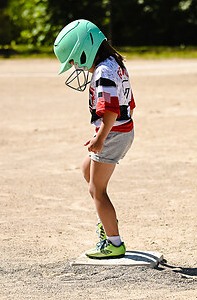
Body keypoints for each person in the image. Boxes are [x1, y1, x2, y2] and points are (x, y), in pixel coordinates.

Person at [53, 19, 135, 258]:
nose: (75, 67)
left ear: (85, 51)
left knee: (97, 189)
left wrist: (100, 138)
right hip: (119, 130)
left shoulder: (102, 72)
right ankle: (107, 221)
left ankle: (113, 242)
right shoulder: (113, 62)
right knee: (87, 169)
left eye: (74, 60)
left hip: (113, 133)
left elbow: (110, 110)